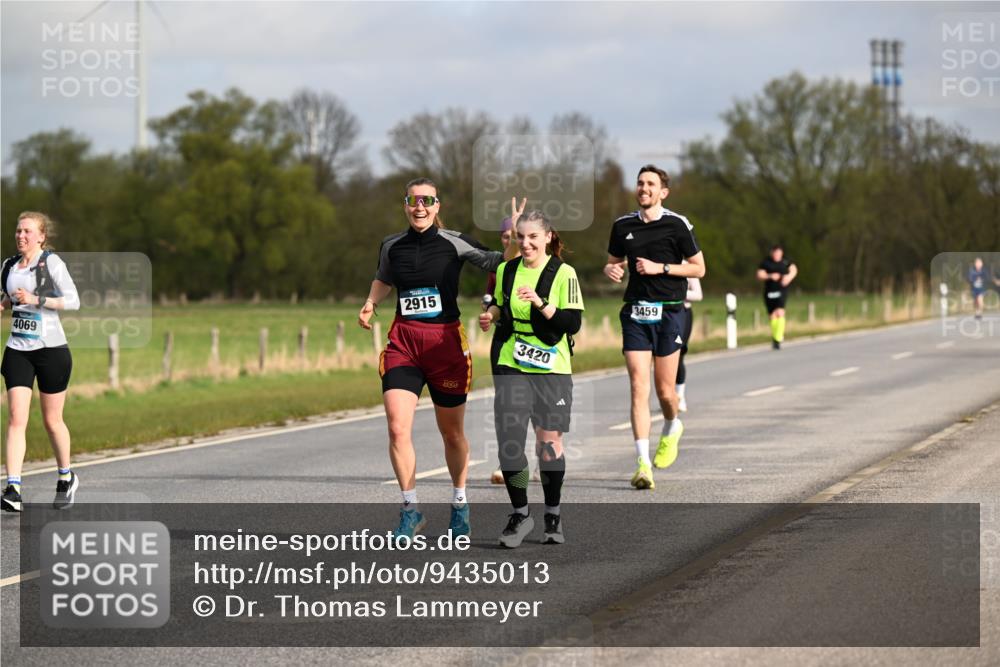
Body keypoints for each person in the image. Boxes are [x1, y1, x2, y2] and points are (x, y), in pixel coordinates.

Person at [358, 179, 514, 541]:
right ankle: (410, 509)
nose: (420, 207)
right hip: (404, 342)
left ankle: (460, 504)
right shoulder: (391, 245)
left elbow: (500, 261)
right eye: (413, 200)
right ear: (405, 205)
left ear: (437, 205)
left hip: (446, 345)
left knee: (452, 433)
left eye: (427, 200)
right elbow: (383, 277)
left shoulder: (454, 241)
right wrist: (370, 302)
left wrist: (518, 238)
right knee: (397, 427)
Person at [480, 209, 583, 547]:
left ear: (548, 237)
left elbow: (572, 323)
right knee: (509, 442)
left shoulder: (563, 273)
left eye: (533, 237)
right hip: (511, 359)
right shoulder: (506, 270)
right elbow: (500, 305)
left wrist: (541, 303)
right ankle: (520, 514)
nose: (525, 244)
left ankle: (552, 513)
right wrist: (490, 315)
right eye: (520, 237)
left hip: (552, 366)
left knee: (548, 446)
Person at [603, 165, 706, 491]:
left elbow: (699, 269)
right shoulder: (623, 225)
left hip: (670, 313)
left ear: (663, 192)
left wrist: (660, 267)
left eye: (651, 183)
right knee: (638, 385)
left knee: (665, 392)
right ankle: (643, 464)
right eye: (640, 182)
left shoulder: (678, 224)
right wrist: (612, 270)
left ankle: (672, 425)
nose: (644, 187)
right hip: (636, 312)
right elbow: (613, 262)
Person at [1, 212, 81, 512]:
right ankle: (13, 489)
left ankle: (65, 477)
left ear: (41, 236)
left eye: (27, 231)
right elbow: (9, 297)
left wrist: (37, 299)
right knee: (16, 418)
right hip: (18, 349)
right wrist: (3, 303)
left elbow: (73, 301)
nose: (21, 236)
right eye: (18, 230)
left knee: (51, 420)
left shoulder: (51, 263)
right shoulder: (8, 266)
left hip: (51, 350)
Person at [485, 218, 517, 486]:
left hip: (539, 343)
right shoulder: (498, 269)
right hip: (504, 339)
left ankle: (544, 453)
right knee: (505, 403)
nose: (512, 240)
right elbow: (492, 302)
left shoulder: (547, 266)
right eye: (506, 236)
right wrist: (489, 314)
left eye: (515, 235)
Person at [756, 245, 797, 349]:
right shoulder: (766, 263)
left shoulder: (785, 262)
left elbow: (794, 270)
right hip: (769, 291)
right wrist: (770, 276)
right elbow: (759, 274)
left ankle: (778, 337)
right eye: (775, 253)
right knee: (772, 316)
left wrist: (788, 278)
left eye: (779, 253)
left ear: (781, 253)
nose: (777, 255)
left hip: (781, 290)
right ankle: (776, 338)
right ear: (772, 253)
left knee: (780, 312)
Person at [676, 269, 703, 413]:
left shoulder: (687, 266)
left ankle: (680, 396)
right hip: (663, 312)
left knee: (679, 355)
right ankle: (668, 396)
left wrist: (675, 292)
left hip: (683, 312)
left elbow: (698, 294)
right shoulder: (659, 263)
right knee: (662, 356)